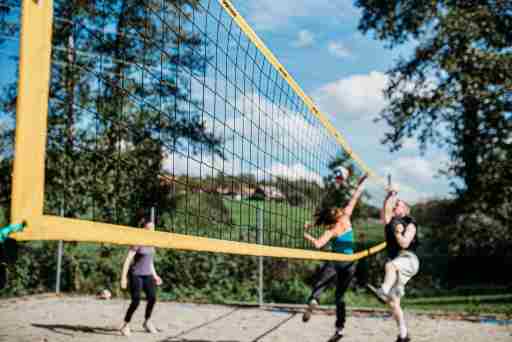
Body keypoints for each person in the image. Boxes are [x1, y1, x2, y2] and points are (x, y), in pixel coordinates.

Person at [303, 173, 368, 340]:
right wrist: (362, 182)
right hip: (350, 263)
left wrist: (307, 235)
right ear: (339, 214)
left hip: (335, 262)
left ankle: (314, 300)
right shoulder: (346, 217)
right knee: (339, 295)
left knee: (320, 285)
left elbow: (318, 245)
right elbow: (355, 196)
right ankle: (339, 329)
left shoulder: (331, 230)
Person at [367, 191, 420, 342]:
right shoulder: (391, 222)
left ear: (405, 211)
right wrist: (389, 197)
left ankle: (382, 290)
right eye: (395, 204)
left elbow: (404, 243)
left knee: (390, 265)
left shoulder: (409, 224)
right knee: (393, 303)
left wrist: (398, 234)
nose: (395, 206)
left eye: (398, 205)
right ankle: (403, 334)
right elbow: (385, 212)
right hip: (398, 262)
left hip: (409, 259)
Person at [120, 218, 163, 337]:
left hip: (148, 274)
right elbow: (128, 260)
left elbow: (150, 262)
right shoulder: (137, 241)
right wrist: (123, 278)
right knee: (136, 300)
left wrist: (155, 275)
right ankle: (125, 325)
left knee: (152, 298)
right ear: (143, 229)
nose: (152, 230)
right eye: (149, 228)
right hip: (136, 274)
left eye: (153, 228)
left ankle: (147, 321)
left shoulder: (152, 242)